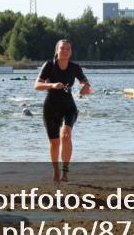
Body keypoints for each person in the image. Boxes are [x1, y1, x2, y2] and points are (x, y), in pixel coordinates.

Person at [34, 39, 92, 182]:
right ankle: (55, 170)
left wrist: (85, 87)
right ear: (57, 51)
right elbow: (37, 85)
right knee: (54, 143)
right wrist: (52, 85)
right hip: (51, 107)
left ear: (71, 52)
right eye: (62, 48)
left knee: (66, 135)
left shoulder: (74, 67)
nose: (65, 51)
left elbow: (86, 83)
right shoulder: (49, 65)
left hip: (68, 106)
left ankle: (65, 172)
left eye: (68, 49)